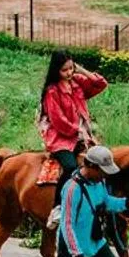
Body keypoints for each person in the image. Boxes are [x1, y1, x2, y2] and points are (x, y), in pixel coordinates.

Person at [40, 51, 108, 184]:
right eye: (64, 70)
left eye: (71, 68)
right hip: (62, 139)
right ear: (56, 70)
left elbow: (101, 84)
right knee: (71, 167)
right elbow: (58, 120)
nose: (69, 73)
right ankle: (60, 202)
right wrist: (77, 130)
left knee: (103, 162)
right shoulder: (52, 91)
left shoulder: (77, 81)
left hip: (83, 136)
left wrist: (82, 70)